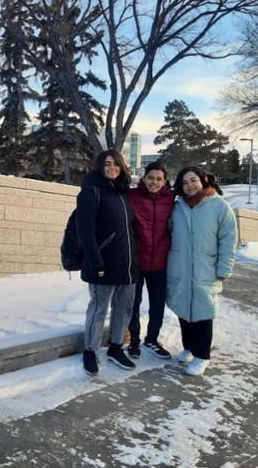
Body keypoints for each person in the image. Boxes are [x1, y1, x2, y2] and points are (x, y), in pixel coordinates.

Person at [167, 166, 237, 376]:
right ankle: (189, 347)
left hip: (206, 268)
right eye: (185, 182)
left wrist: (224, 268)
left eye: (193, 180)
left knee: (203, 312)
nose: (189, 186)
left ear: (203, 181)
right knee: (183, 310)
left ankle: (202, 355)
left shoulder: (219, 207)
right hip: (180, 265)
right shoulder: (177, 207)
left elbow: (228, 240)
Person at [76, 150, 140, 375]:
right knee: (98, 309)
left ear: (122, 167)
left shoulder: (123, 193)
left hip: (128, 264)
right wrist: (96, 262)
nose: (111, 168)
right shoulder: (90, 192)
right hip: (102, 264)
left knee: (123, 308)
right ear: (99, 167)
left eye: (115, 164)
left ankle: (115, 348)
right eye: (107, 164)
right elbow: (85, 231)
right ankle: (90, 351)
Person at [126, 161, 175, 360]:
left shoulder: (171, 199)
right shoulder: (131, 196)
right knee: (133, 304)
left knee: (157, 304)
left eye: (159, 179)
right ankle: (134, 341)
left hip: (160, 263)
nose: (154, 182)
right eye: (151, 178)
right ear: (144, 178)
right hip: (136, 261)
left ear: (164, 181)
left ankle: (152, 339)